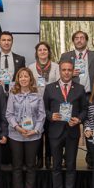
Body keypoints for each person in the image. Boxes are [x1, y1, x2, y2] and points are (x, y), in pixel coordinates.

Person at [42, 60, 87, 188]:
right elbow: (44, 109)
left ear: (73, 71)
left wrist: (79, 119)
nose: (66, 72)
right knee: (56, 166)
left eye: (69, 70)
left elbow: (85, 110)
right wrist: (50, 116)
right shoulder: (50, 88)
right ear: (59, 71)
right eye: (64, 70)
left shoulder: (80, 89)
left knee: (71, 165)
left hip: (72, 132)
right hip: (55, 132)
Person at [5, 67, 45, 188]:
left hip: (33, 136)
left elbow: (42, 115)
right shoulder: (13, 94)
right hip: (16, 135)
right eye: (21, 76)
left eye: (26, 76)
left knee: (30, 166)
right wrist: (18, 128)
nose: (23, 79)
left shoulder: (37, 94)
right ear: (18, 79)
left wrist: (35, 130)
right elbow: (9, 114)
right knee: (17, 166)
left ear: (30, 78)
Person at [29, 41, 59, 169]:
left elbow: (58, 85)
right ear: (36, 53)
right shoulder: (31, 67)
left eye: (45, 49)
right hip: (36, 105)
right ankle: (39, 159)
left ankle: (48, 158)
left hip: (51, 105)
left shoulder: (56, 67)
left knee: (50, 133)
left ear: (48, 52)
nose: (42, 52)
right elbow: (29, 85)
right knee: (38, 132)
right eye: (40, 50)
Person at [59, 30, 94, 97]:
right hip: (72, 95)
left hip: (91, 95)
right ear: (73, 42)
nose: (79, 40)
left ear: (86, 41)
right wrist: (69, 73)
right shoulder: (65, 56)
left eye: (82, 38)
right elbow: (59, 74)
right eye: (76, 38)